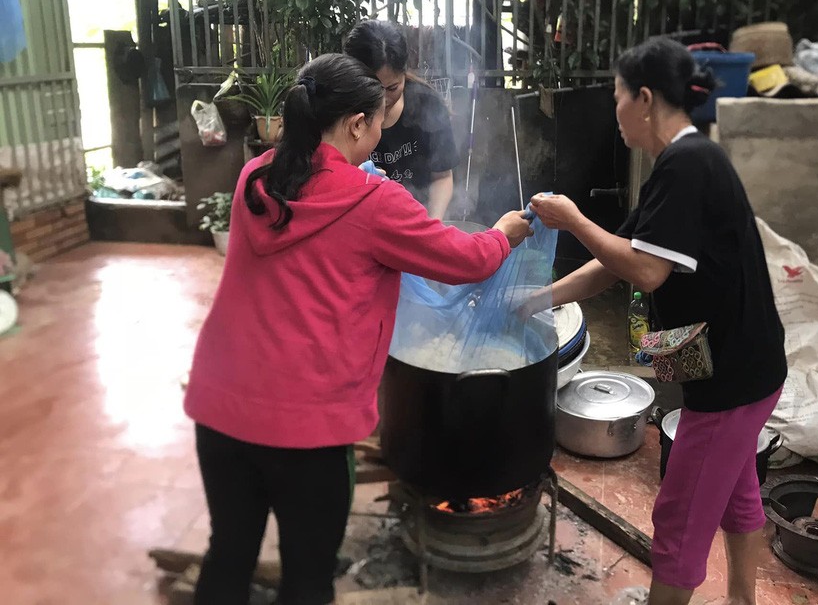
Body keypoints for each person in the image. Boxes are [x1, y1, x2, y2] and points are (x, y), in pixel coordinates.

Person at [183, 53, 531, 605]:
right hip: (307, 427)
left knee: (228, 552)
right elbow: (468, 259)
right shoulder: (375, 202)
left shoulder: (256, 177)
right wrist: (504, 233)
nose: (380, 133)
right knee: (307, 578)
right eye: (377, 123)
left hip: (221, 406)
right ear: (355, 124)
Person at [527, 37, 787, 605]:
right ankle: (742, 599)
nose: (614, 111)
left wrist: (573, 219)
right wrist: (536, 300)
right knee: (737, 490)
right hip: (736, 361)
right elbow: (614, 262)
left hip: (731, 378)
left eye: (617, 97)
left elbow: (645, 272)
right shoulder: (680, 163)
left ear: (643, 99)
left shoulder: (688, 164)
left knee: (680, 514)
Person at [342, 19, 457, 220]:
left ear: (404, 73)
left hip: (415, 221)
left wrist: (431, 224)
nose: (383, 100)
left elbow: (442, 176)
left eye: (392, 88)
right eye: (374, 89)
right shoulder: (339, 113)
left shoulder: (427, 104)